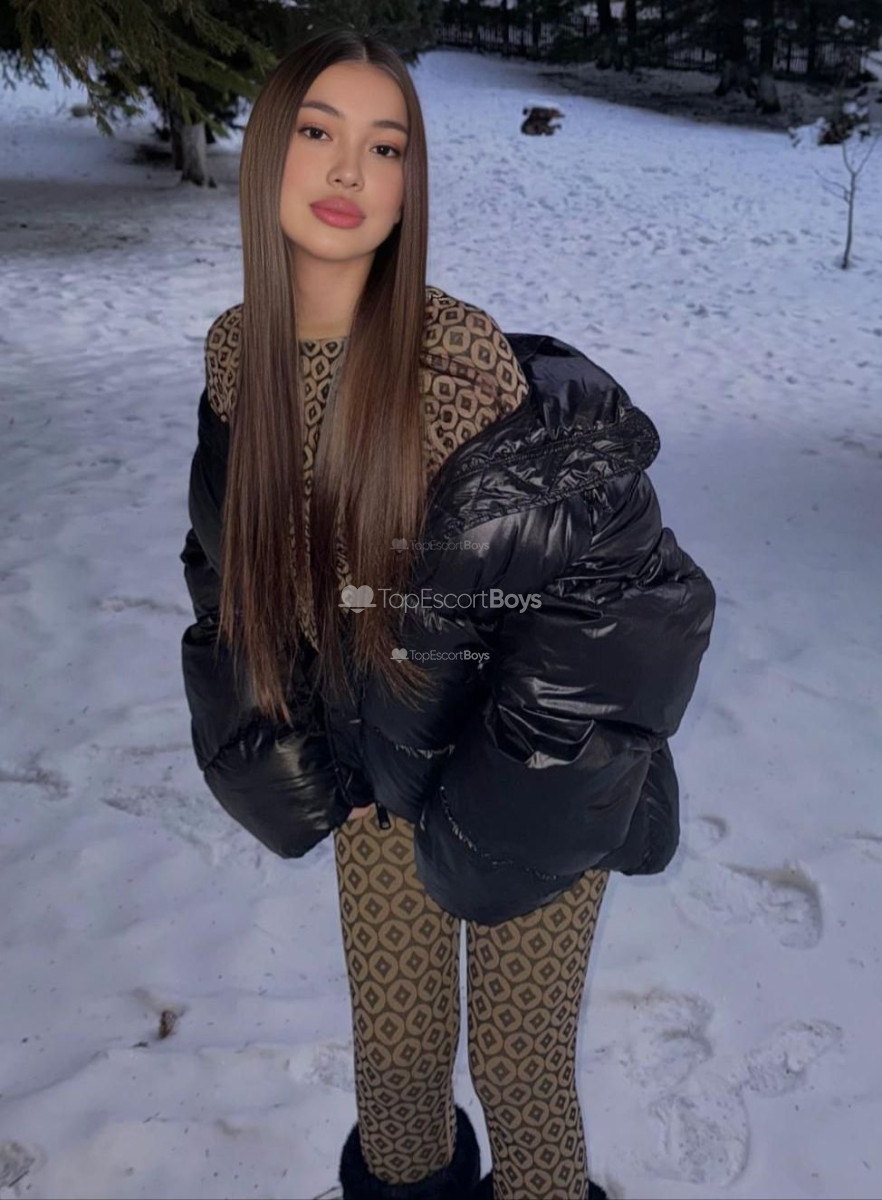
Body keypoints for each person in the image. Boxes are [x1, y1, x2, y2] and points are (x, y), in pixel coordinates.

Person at [179, 27, 716, 1200]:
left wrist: (481, 822)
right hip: (379, 777)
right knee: (396, 1073)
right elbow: (229, 581)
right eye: (318, 131)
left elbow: (625, 617)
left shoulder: (474, 387)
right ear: (266, 152)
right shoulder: (238, 372)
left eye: (387, 146)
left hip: (538, 784)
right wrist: (298, 762)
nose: (350, 170)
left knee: (518, 1069)